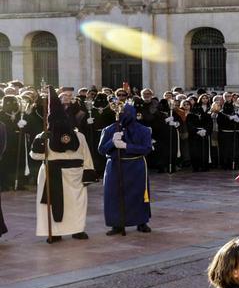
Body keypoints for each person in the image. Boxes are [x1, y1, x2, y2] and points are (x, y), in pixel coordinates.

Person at [31, 89, 93, 243]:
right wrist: (39, 143)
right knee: (52, 205)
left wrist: (88, 174)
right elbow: (35, 155)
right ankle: (55, 232)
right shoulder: (44, 136)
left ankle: (77, 230)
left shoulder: (79, 136)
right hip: (52, 175)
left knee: (76, 204)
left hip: (75, 176)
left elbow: (86, 156)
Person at [99, 102, 153, 235]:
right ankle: (116, 224)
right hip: (115, 166)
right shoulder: (109, 129)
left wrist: (126, 146)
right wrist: (112, 142)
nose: (124, 116)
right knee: (114, 195)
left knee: (138, 194)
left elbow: (146, 148)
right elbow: (101, 149)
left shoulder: (144, 130)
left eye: (127, 113)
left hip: (136, 166)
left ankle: (141, 221)